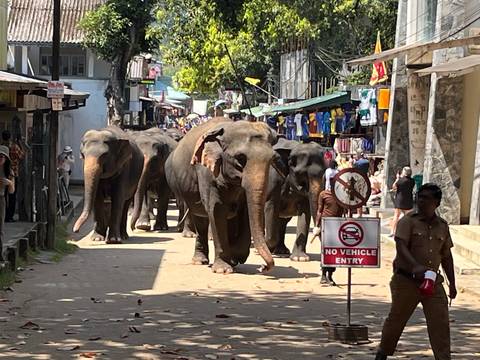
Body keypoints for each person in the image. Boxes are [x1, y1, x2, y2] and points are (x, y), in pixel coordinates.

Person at [375, 183, 457, 360]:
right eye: (420, 197)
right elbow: (401, 247)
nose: (421, 201)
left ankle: (443, 357)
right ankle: (382, 353)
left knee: (440, 324)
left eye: (427, 198)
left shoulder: (442, 226)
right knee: (396, 321)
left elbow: (446, 256)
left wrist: (452, 284)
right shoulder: (408, 221)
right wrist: (415, 266)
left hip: (433, 283)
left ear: (436, 202)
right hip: (407, 281)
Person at [312, 177, 345, 285]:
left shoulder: (342, 196)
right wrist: (317, 226)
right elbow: (319, 210)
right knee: (325, 251)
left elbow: (344, 211)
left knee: (334, 252)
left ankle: (330, 276)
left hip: (337, 226)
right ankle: (323, 275)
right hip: (325, 226)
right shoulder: (323, 194)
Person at [1, 130, 25, 222]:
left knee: (3, 195)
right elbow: (22, 156)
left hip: (2, 173)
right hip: (13, 173)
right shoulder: (14, 147)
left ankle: (3, 215)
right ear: (10, 137)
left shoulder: (2, 147)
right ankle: (9, 216)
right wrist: (20, 144)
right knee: (12, 195)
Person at [390, 166, 416, 237]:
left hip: (400, 200)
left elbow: (394, 187)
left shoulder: (400, 180)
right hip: (408, 200)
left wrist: (397, 178)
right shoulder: (412, 181)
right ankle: (408, 232)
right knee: (409, 217)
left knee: (396, 216)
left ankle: (392, 231)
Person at [0, 145, 15, 267]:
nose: (0, 158)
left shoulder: (9, 172)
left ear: (6, 159)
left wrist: (9, 183)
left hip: (1, 199)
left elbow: (11, 191)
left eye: (2, 157)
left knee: (0, 229)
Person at [353, 149, 369, 216]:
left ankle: (359, 213)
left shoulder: (357, 163)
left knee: (358, 197)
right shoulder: (367, 162)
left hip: (358, 180)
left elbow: (354, 171)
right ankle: (361, 212)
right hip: (365, 180)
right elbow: (370, 171)